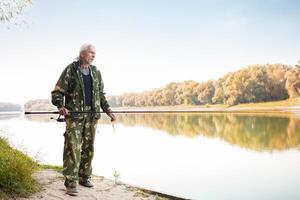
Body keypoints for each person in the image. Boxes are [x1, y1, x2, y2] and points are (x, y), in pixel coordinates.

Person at [51, 44, 116, 196]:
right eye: (91, 52)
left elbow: (101, 94)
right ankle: (71, 182)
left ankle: (84, 177)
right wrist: (61, 106)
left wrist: (108, 110)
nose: (94, 55)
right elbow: (57, 92)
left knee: (88, 148)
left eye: (95, 53)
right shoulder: (71, 70)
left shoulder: (96, 71)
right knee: (72, 148)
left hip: (91, 116)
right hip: (74, 117)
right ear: (82, 54)